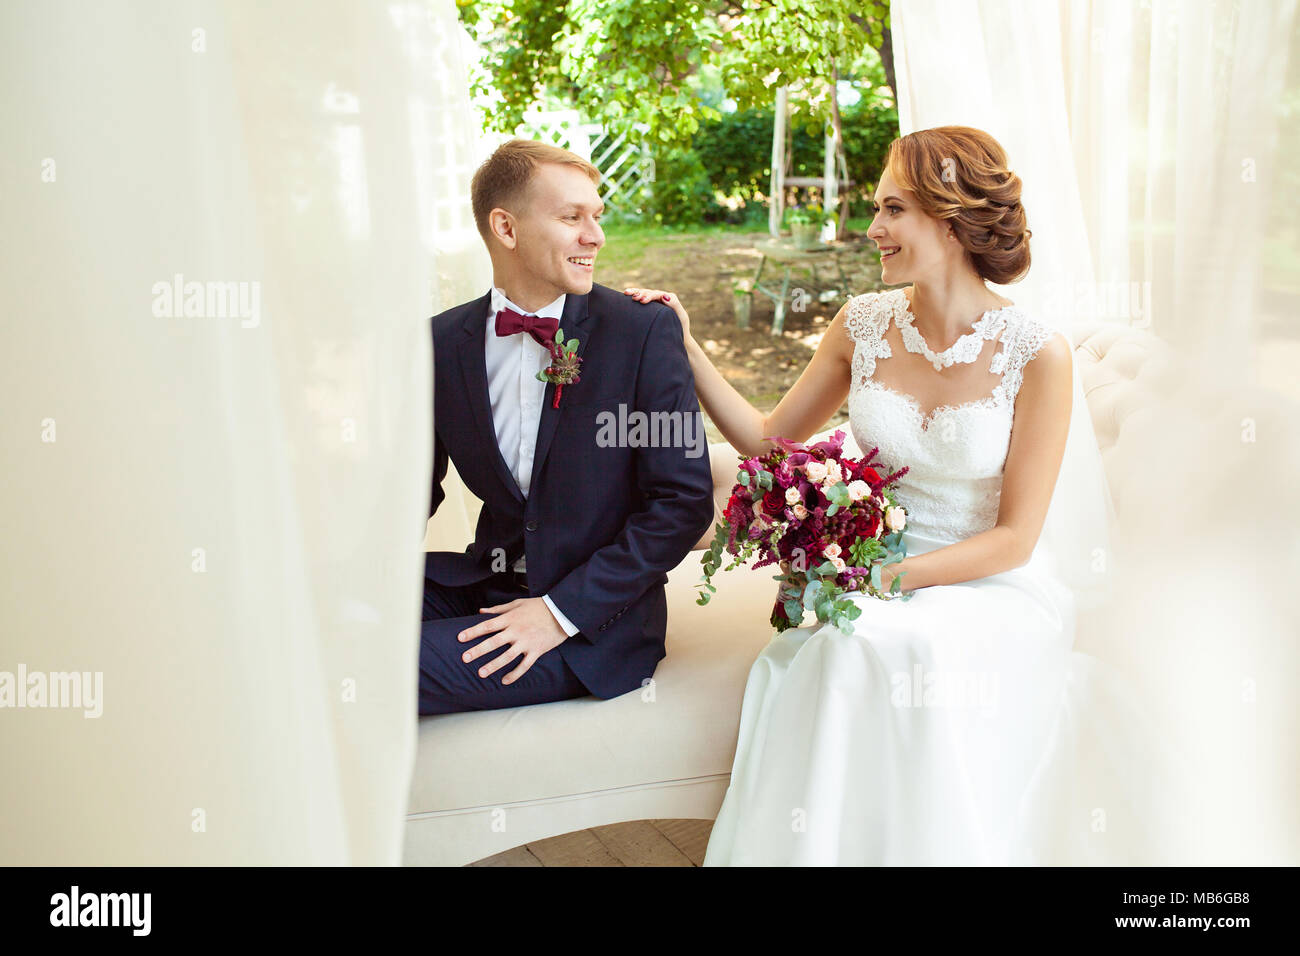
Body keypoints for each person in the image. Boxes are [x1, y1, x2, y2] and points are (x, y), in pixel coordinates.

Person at [627, 125, 1085, 865]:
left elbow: (1016, 537)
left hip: (986, 583)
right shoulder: (862, 324)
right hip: (875, 571)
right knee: (853, 642)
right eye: (876, 208)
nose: (872, 228)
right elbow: (772, 438)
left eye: (892, 209)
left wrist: (877, 579)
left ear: (953, 216)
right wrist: (686, 344)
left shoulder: (1038, 354)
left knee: (874, 643)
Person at [421, 139, 715, 715]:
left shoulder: (642, 333)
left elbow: (680, 503)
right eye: (571, 217)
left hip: (594, 625)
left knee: (369, 665)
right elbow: (410, 492)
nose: (596, 236)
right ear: (505, 228)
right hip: (486, 581)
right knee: (316, 620)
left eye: (596, 217)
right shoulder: (439, 343)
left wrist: (559, 613)